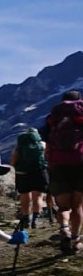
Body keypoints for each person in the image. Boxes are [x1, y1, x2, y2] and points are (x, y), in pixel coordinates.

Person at [44, 90, 83, 254]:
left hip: (58, 164)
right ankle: (75, 240)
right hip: (80, 163)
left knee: (63, 206)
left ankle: (64, 229)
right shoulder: (80, 115)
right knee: (78, 205)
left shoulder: (53, 117)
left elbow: (46, 144)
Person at [10, 126, 50, 230]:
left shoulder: (19, 145)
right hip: (39, 172)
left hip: (22, 173)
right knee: (38, 197)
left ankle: (26, 219)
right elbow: (48, 157)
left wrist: (17, 167)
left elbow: (13, 160)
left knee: (24, 197)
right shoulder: (42, 144)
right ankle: (35, 220)